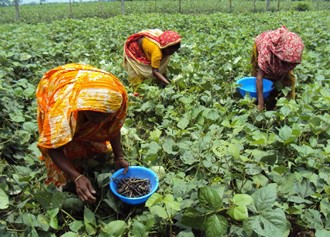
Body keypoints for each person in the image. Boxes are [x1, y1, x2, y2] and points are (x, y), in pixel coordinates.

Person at [36, 63, 129, 203]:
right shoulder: (62, 109)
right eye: (95, 113)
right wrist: (76, 177)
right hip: (57, 84)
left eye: (105, 115)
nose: (100, 120)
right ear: (82, 106)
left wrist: (119, 156)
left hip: (93, 81)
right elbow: (52, 148)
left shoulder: (118, 99)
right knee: (60, 138)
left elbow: (113, 128)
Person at [251, 26, 304, 110]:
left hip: (281, 50)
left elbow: (287, 67)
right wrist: (261, 104)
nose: (290, 64)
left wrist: (280, 78)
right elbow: (259, 78)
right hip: (262, 46)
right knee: (258, 72)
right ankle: (258, 96)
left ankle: (289, 104)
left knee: (288, 79)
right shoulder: (266, 55)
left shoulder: (292, 49)